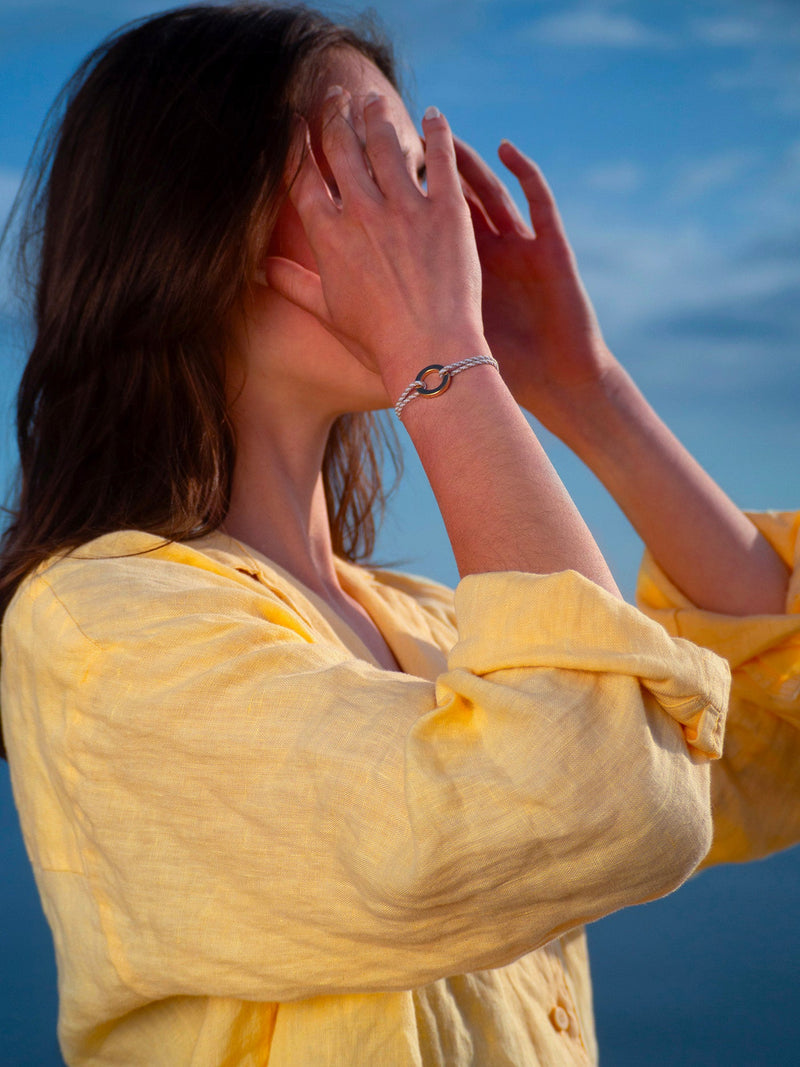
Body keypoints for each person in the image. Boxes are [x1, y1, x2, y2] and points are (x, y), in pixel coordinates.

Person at [0, 3, 797, 1065]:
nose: (427, 214)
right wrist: (438, 350)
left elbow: (765, 737)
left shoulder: (418, 622)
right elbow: (600, 789)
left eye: (416, 167)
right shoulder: (103, 631)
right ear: (196, 218)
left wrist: (584, 391)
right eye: (364, 162)